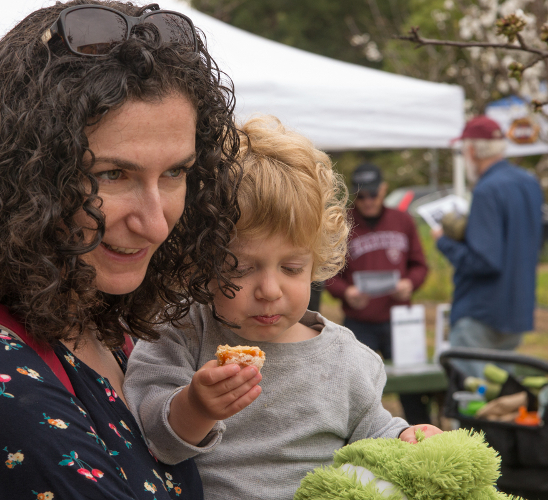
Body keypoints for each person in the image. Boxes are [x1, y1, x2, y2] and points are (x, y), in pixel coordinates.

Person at [0, 2, 242, 498]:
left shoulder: (104, 327)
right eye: (112, 175)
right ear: (25, 178)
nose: (155, 220)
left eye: (175, 172)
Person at [123, 116, 442, 500]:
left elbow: (372, 433)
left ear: (317, 262)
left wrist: (406, 436)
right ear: (201, 264)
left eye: (292, 268)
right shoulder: (182, 333)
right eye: (240, 268)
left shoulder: (346, 357)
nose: (270, 291)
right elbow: (153, 440)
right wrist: (195, 407)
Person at [434, 115, 543, 377]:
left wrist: (444, 243)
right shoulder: (528, 182)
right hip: (516, 308)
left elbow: (484, 261)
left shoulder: (486, 190)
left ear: (472, 150)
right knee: (503, 400)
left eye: (463, 150)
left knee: (474, 402)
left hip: (481, 311)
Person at [325, 163, 431, 424]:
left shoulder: (402, 221)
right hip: (360, 322)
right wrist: (346, 291)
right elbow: (327, 272)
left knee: (412, 386)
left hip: (399, 320)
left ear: (383, 190)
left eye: (373, 194)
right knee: (359, 389)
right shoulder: (342, 224)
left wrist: (410, 284)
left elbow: (420, 265)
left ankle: (423, 433)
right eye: (361, 196)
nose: (368, 201)